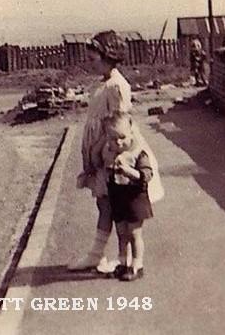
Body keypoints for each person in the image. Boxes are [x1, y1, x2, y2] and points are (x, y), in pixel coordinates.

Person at [68, 30, 164, 273]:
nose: (89, 64)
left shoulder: (118, 86)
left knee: (108, 204)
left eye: (93, 59)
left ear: (108, 56)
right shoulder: (104, 82)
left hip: (111, 152)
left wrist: (101, 153)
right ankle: (108, 256)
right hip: (100, 151)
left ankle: (101, 255)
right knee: (105, 205)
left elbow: (120, 124)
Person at [101, 113, 154, 281]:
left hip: (134, 197)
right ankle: (123, 262)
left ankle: (137, 264)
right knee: (121, 231)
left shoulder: (138, 152)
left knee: (134, 232)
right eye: (112, 139)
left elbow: (146, 174)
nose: (118, 142)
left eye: (122, 137)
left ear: (131, 133)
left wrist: (128, 171)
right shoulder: (110, 152)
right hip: (118, 196)